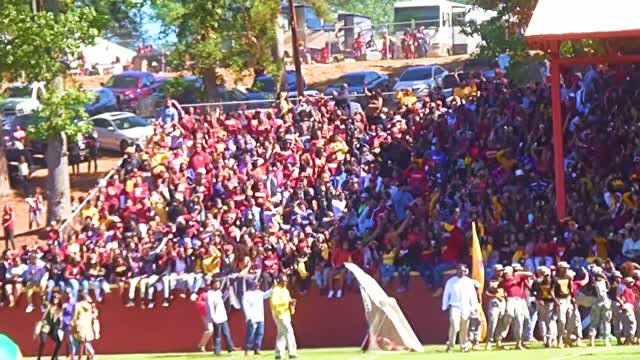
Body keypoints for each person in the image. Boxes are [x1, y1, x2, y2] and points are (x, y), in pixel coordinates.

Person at [441, 263, 478, 353]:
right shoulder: (451, 281)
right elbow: (446, 294)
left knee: (464, 327)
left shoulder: (469, 282)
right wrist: (444, 305)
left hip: (466, 307)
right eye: (460, 270)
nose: (462, 272)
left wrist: (474, 307)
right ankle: (451, 346)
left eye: (464, 271)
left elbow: (473, 295)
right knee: (454, 323)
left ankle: (463, 346)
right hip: (454, 306)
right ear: (456, 271)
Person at [497, 265, 534, 350]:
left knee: (520, 322)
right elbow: (497, 290)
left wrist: (519, 273)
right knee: (509, 314)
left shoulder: (518, 276)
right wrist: (502, 296)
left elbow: (530, 274)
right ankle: (502, 334)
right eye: (505, 273)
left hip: (520, 300)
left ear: (511, 272)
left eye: (507, 273)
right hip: (510, 300)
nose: (506, 274)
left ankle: (519, 343)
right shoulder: (502, 282)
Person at [205, 279, 237, 355]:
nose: (218, 285)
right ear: (212, 285)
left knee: (226, 333)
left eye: (218, 284)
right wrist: (213, 317)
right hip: (216, 317)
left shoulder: (219, 293)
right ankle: (217, 350)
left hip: (223, 316)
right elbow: (210, 306)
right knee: (217, 335)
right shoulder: (210, 294)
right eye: (216, 284)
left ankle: (230, 347)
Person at [270, 272, 297, 360]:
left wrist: (291, 302)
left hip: (286, 314)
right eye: (283, 281)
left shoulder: (286, 290)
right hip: (279, 314)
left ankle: (279, 354)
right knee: (289, 332)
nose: (285, 283)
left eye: (286, 281)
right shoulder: (275, 290)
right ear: (279, 281)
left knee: (281, 334)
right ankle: (292, 353)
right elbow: (274, 303)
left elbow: (288, 299)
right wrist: (286, 302)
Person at [242, 280, 272, 355]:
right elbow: (246, 307)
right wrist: (249, 318)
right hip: (252, 318)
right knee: (251, 334)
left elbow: (266, 295)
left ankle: (257, 349)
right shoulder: (246, 295)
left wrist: (272, 289)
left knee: (260, 333)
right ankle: (248, 349)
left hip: (260, 317)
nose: (258, 286)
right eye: (256, 285)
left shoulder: (259, 293)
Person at [36, 290, 63, 360]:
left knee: (59, 342)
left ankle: (54, 358)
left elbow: (61, 318)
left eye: (57, 298)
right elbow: (43, 301)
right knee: (43, 342)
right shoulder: (49, 305)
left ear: (59, 300)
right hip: (45, 326)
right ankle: (38, 358)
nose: (55, 299)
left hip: (53, 328)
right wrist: (43, 294)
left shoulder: (60, 309)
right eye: (54, 297)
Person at [589, 266, 611, 347]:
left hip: (605, 301)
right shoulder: (593, 282)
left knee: (606, 320)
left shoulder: (604, 281)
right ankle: (592, 339)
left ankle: (606, 340)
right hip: (597, 302)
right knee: (595, 321)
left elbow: (608, 288)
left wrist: (606, 279)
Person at [484, 264, 505, 350]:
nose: (501, 272)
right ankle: (489, 341)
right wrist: (495, 296)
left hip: (503, 301)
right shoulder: (490, 280)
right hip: (494, 302)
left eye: (502, 270)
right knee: (493, 321)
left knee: (501, 321)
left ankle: (498, 341)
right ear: (495, 271)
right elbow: (486, 293)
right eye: (499, 271)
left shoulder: (504, 280)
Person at [71, 292, 96, 359]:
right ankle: (86, 355)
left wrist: (73, 323)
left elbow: (75, 315)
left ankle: (91, 352)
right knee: (86, 340)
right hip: (87, 325)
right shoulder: (89, 306)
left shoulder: (78, 305)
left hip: (79, 325)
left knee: (80, 341)